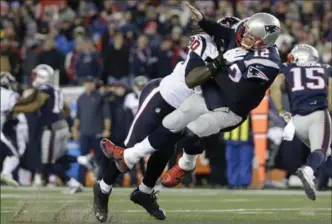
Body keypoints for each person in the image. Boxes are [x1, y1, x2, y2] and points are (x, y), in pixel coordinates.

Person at [101, 4, 282, 193]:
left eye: (251, 37)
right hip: (212, 94)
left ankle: (185, 166)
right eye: (244, 32)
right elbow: (223, 33)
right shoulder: (237, 32)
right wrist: (203, 21)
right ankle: (129, 156)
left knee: (192, 131)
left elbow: (236, 94)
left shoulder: (266, 62)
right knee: (171, 122)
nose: (243, 37)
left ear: (263, 42)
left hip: (232, 108)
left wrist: (217, 65)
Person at [93, 15, 226, 222]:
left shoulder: (233, 55)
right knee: (130, 149)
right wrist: (217, 67)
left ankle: (144, 193)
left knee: (165, 150)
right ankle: (103, 188)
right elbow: (193, 77)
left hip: (184, 108)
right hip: (163, 96)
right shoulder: (204, 42)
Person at [12, 65, 91, 192]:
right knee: (57, 158)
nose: (34, 79)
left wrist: (14, 109)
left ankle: (72, 182)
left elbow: (35, 105)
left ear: (42, 77)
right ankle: (82, 159)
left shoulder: (45, 90)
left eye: (36, 76)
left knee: (46, 163)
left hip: (52, 129)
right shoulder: (55, 89)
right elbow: (66, 109)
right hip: (61, 126)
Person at [270, 44, 332, 200]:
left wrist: (282, 111)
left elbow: (275, 87)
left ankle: (316, 173)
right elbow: (331, 91)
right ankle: (309, 172)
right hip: (318, 114)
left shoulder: (287, 68)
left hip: (297, 121)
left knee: (324, 153)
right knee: (321, 151)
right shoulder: (326, 68)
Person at [72, 76, 111, 183]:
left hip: (97, 132)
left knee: (99, 158)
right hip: (84, 132)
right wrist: (75, 128)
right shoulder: (81, 98)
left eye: (91, 83)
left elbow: (106, 115)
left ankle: (101, 181)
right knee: (83, 158)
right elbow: (78, 116)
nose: (88, 85)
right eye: (86, 83)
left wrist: (107, 129)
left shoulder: (100, 97)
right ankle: (80, 181)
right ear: (84, 84)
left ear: (94, 84)